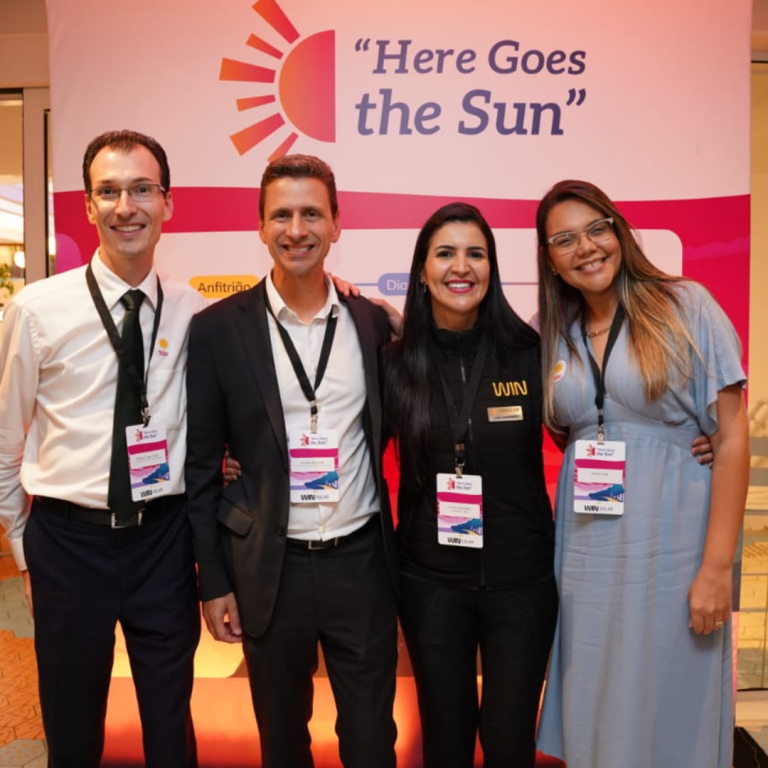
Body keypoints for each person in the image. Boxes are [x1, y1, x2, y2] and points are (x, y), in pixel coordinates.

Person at [184, 154, 399, 768]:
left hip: (361, 562)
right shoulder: (218, 329)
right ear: (260, 226)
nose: (297, 229)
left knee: (371, 742)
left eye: (312, 214)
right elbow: (200, 469)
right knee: (282, 743)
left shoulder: (370, 323)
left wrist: (400, 319)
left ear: (336, 224)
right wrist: (214, 582)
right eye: (281, 215)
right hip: (267, 568)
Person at [0, 130, 204, 767]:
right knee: (71, 728)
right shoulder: (36, 310)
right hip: (67, 546)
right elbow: (4, 444)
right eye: (108, 192)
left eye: (142, 189)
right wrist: (24, 549)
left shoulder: (195, 313)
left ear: (167, 202)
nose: (126, 206)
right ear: (88, 206)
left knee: (171, 727)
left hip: (164, 542)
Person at [533, 180, 749, 768]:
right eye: (565, 240)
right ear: (549, 259)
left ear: (619, 231)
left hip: (674, 548)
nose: (586, 247)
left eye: (596, 229)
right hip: (587, 557)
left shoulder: (686, 304)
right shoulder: (552, 332)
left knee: (671, 706)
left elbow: (732, 440)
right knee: (598, 704)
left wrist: (715, 571)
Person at [383, 202, 559, 767]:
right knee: (447, 742)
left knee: (509, 743)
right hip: (431, 585)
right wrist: (241, 461)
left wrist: (687, 441)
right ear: (422, 271)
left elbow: (594, 420)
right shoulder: (394, 363)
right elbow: (344, 441)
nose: (461, 266)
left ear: (492, 267)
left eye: (475, 254)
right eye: (445, 253)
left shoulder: (532, 355)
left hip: (522, 584)